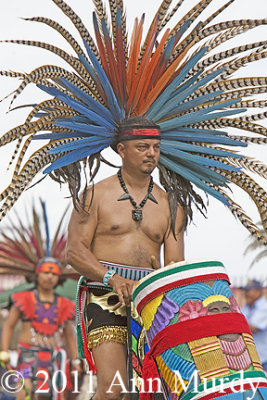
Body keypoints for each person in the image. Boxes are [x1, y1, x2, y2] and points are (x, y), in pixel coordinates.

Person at [67, 117, 185, 400]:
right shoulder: (94, 195)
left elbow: (174, 267)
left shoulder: (171, 205)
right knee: (113, 389)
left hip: (151, 301)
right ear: (121, 150)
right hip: (104, 295)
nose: (151, 153)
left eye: (156, 147)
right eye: (142, 146)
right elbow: (74, 251)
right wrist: (112, 278)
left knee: (154, 390)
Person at [0, 201, 81, 400]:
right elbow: (9, 326)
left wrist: (75, 360)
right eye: (45, 272)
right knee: (24, 394)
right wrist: (4, 352)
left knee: (53, 396)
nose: (49, 277)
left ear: (59, 277)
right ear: (36, 275)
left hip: (54, 359)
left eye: (53, 273)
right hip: (26, 357)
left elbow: (69, 333)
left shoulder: (65, 305)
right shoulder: (23, 299)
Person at [241, 279, 267, 371]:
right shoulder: (246, 307)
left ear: (258, 292)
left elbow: (254, 327)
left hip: (263, 359)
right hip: (250, 359)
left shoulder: (264, 307)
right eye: (245, 291)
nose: (246, 293)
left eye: (249, 290)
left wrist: (236, 321)